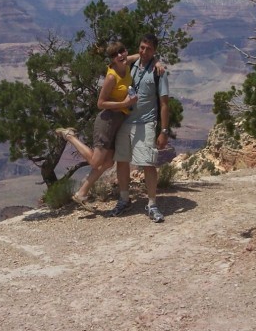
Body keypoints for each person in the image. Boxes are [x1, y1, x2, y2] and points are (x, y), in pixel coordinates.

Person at [56, 41, 137, 210]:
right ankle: (69, 136)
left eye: (122, 51)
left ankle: (81, 194)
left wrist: (156, 61)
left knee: (107, 163)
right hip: (107, 121)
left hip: (119, 122)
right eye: (115, 54)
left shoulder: (126, 62)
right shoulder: (111, 77)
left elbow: (143, 56)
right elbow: (100, 103)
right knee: (95, 162)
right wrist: (123, 103)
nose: (120, 55)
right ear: (112, 60)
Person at [110, 33, 170, 222]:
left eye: (149, 49)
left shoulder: (159, 72)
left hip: (146, 122)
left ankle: (152, 204)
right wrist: (143, 57)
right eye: (142, 47)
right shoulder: (129, 64)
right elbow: (117, 59)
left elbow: (164, 104)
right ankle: (124, 199)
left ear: (155, 50)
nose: (144, 51)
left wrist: (164, 131)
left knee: (147, 163)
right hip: (125, 121)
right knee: (122, 160)